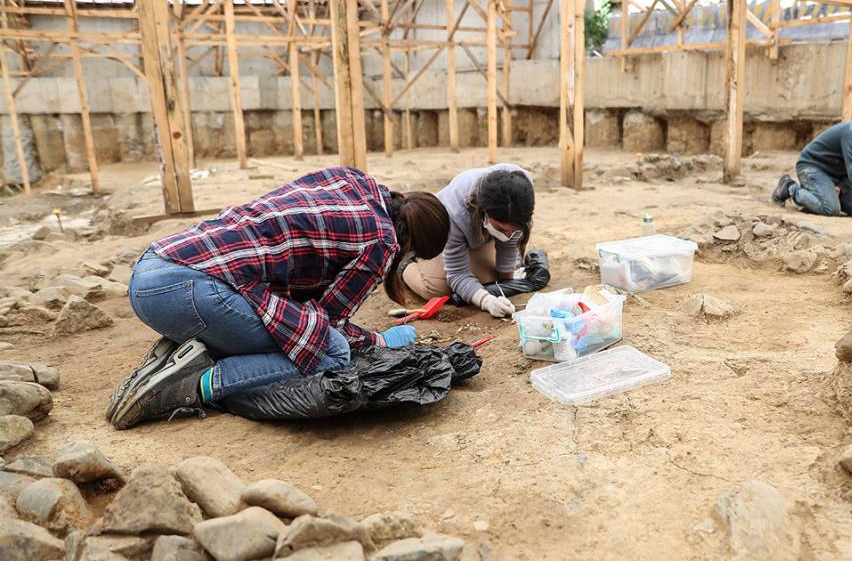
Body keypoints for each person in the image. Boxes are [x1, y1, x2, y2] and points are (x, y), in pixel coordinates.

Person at [106, 167, 451, 430]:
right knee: (332, 353)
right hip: (192, 292)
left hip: (152, 271)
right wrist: (380, 340)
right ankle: (194, 383)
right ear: (410, 244)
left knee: (292, 330)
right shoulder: (381, 242)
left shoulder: (354, 180)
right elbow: (328, 328)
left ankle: (183, 352)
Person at [402, 164, 535, 319]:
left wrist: (506, 282)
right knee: (438, 289)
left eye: (514, 229)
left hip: (480, 234)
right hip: (439, 236)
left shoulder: (521, 188)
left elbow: (509, 241)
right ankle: (405, 263)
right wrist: (487, 301)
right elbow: (457, 274)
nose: (510, 235)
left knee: (489, 278)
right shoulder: (453, 213)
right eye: (502, 228)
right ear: (484, 212)